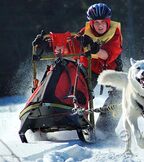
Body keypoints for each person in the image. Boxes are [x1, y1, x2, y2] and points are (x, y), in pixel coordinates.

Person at [32, 3, 123, 140]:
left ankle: (105, 130)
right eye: (96, 22)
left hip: (111, 69)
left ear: (108, 21)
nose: (99, 25)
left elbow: (107, 55)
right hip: (89, 68)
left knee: (120, 96)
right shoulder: (85, 32)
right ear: (91, 23)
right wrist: (50, 45)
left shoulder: (115, 33)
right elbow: (69, 45)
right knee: (79, 92)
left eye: (103, 22)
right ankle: (79, 120)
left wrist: (95, 49)